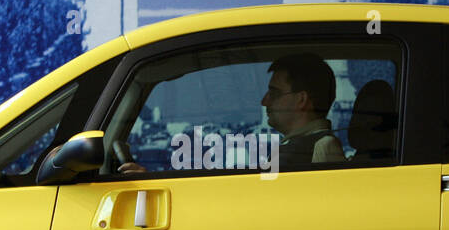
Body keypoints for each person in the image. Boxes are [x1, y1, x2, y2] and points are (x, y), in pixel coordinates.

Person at [117, 52, 346, 174]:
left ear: (301, 100)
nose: (264, 101)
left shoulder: (323, 148)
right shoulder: (299, 146)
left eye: (274, 93)